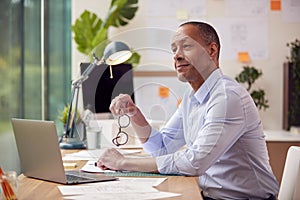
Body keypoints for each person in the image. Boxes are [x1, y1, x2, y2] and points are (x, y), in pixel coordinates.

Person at [96, 21, 279, 199]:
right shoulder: (192, 98)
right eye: (174, 49)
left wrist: (123, 163)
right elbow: (162, 147)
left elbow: (194, 163)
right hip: (208, 195)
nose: (177, 55)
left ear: (212, 51)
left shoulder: (227, 97)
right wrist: (134, 114)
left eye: (186, 46)